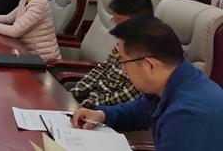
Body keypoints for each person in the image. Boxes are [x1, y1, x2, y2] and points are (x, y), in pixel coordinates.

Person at [71, 16, 223, 151]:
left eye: (123, 62)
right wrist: (101, 115)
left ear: (149, 65)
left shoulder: (187, 116)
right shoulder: (175, 78)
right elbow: (140, 111)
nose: (122, 69)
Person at [70, 0, 154, 108]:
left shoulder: (149, 53)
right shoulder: (124, 40)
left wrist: (86, 105)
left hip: (109, 110)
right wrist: (73, 95)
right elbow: (103, 68)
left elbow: (126, 97)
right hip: (92, 102)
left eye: (120, 23)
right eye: (115, 21)